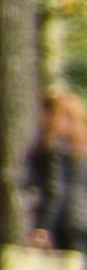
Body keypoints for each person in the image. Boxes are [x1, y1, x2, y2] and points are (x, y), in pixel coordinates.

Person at [28, 86, 87, 256]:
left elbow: (55, 191)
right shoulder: (80, 150)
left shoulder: (54, 147)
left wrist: (43, 227)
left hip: (66, 225)